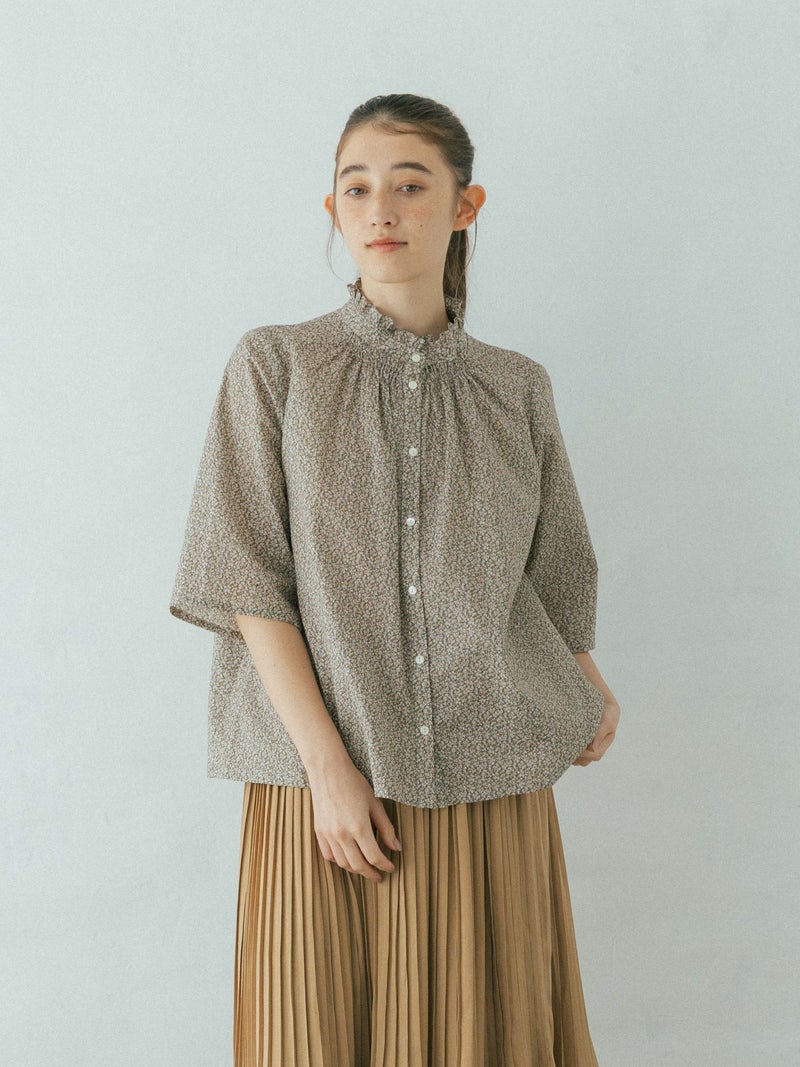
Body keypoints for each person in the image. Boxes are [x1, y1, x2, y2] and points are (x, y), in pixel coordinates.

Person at [169, 92, 620, 1067]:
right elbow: (248, 581)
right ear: (332, 209)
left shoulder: (516, 386)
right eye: (357, 187)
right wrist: (329, 772)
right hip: (323, 790)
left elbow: (553, 564)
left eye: (410, 186)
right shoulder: (276, 366)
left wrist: (583, 674)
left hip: (488, 780)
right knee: (312, 1038)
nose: (381, 209)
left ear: (465, 206)